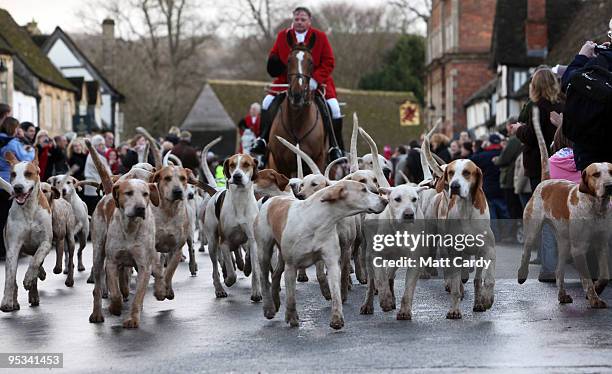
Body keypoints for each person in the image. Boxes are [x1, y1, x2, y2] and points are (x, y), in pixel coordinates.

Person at [252, 6, 343, 161]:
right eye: (296, 19)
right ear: (293, 20)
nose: (299, 22)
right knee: (266, 102)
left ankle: (336, 146)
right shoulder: (283, 36)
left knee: (334, 108)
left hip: (318, 83)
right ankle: (262, 140)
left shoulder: (320, 37)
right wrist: (273, 62)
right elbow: (275, 55)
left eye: (303, 19)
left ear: (309, 21)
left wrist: (315, 79)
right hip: (287, 81)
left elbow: (329, 61)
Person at [510, 67, 564, 282]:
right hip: (561, 163)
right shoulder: (563, 104)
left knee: (543, 214)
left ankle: (548, 264)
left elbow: (532, 136)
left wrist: (517, 130)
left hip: (540, 165)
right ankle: (548, 258)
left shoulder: (536, 107)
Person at [561, 22, 612, 171]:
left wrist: (582, 57)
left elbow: (568, 82)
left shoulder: (598, 62)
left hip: (588, 150)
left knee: (592, 192)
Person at [0, 116, 35, 260]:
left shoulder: (2, 140)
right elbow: (26, 157)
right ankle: (9, 249)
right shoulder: (13, 143)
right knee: (10, 218)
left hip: (0, 182)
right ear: (14, 128)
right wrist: (31, 148)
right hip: (10, 183)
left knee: (1, 217)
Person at [470, 133, 509, 241]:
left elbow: (471, 159)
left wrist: (481, 148)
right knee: (504, 211)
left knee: (492, 213)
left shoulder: (483, 155)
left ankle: (495, 235)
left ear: (489, 142)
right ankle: (508, 234)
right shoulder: (503, 153)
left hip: (488, 188)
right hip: (502, 187)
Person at [83, 134, 109, 215]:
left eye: (103, 145)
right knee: (94, 211)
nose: (102, 146)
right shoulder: (94, 157)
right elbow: (105, 172)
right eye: (100, 145)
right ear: (95, 146)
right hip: (94, 187)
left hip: (95, 186)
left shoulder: (97, 155)